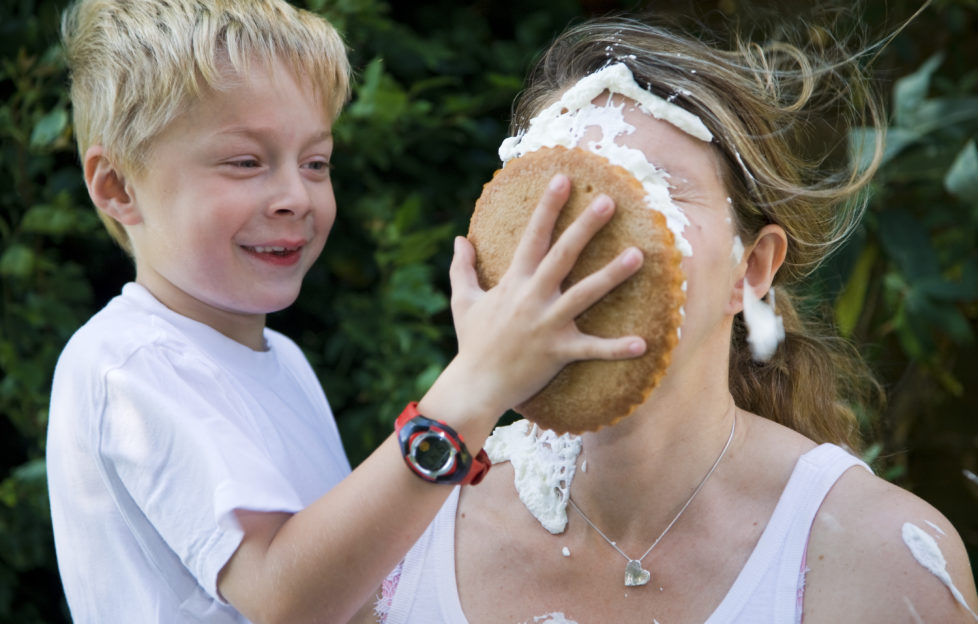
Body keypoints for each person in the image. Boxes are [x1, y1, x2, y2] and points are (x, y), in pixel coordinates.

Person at [45, 2, 651, 622]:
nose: (293, 197)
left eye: (316, 163)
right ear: (117, 187)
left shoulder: (280, 360)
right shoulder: (128, 366)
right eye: (245, 161)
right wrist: (476, 384)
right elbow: (289, 599)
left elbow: (354, 598)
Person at [377, 16, 978, 624]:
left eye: (654, 183)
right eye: (557, 191)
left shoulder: (876, 560)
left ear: (751, 270)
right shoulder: (393, 536)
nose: (592, 224)